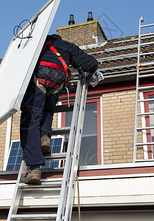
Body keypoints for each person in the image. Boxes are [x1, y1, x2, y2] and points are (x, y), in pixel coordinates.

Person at [20, 34, 98, 184]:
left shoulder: (35, 48)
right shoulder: (66, 46)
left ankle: (34, 169)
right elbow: (91, 63)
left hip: (38, 80)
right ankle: (45, 137)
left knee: (30, 120)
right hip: (57, 84)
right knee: (47, 109)